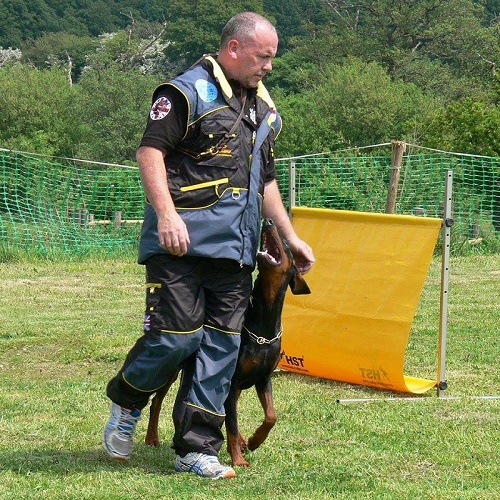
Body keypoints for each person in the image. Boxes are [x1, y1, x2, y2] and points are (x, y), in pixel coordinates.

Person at [102, 11, 315, 480]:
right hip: (180, 245)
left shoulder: (264, 111)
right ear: (234, 49)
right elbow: (150, 152)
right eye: (263, 57)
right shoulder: (185, 92)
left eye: (272, 58)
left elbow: (267, 183)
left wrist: (290, 236)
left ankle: (196, 449)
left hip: (236, 253)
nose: (269, 67)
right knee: (175, 339)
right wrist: (167, 215)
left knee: (220, 349)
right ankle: (127, 403)